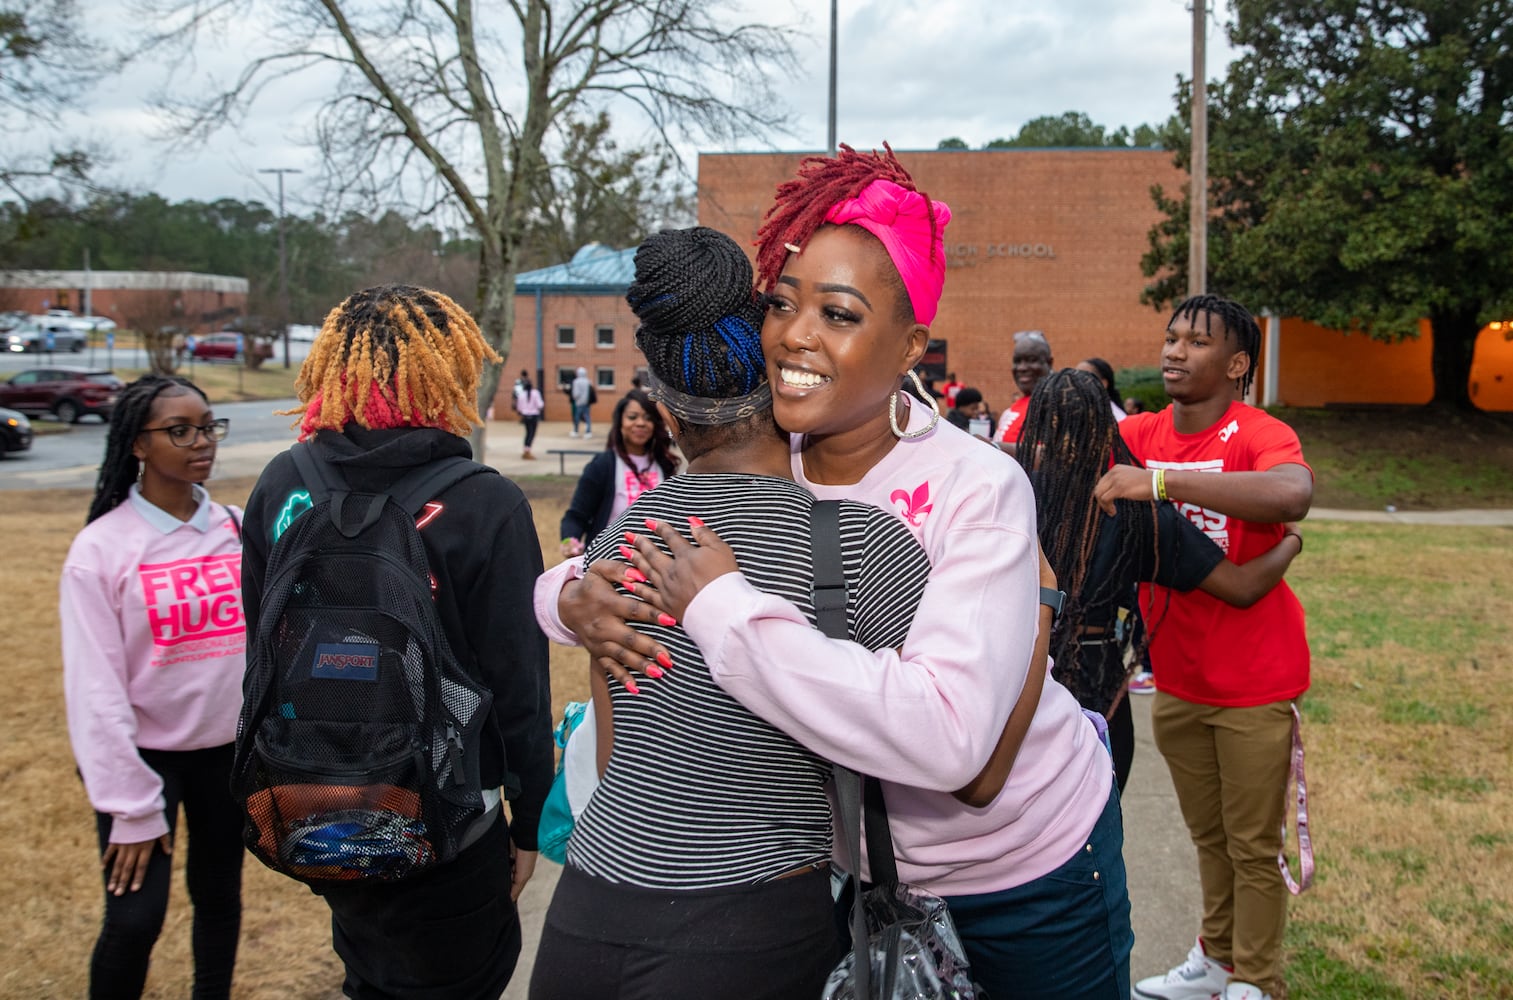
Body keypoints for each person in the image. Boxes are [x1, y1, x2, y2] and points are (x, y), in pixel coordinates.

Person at [538, 145, 1131, 999]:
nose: (797, 335)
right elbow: (628, 549)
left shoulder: (975, 486)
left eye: (840, 314)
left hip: (1019, 865)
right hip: (854, 873)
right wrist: (569, 598)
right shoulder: (763, 461)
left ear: (909, 345)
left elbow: (951, 738)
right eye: (782, 304)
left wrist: (721, 606)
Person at [529, 226, 931, 1000]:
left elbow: (613, 739)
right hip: (752, 920)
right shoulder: (865, 544)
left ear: (669, 416)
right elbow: (935, 739)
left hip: (592, 898)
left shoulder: (623, 538)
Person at [239, 284, 554, 1000]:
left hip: (312, 800)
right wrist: (528, 823)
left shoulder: (284, 483)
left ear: (332, 368)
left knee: (368, 978)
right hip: (448, 818)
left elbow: (260, 651)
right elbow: (518, 691)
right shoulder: (486, 501)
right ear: (449, 371)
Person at [1095, 294, 1313, 1000]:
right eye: (1170, 336)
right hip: (1179, 678)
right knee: (1210, 839)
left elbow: (1290, 496)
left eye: (1195, 341)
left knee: (1252, 846)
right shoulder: (1140, 430)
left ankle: (1256, 979)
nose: (1173, 350)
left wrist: (1157, 479)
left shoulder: (1256, 432)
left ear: (1237, 363)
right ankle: (1215, 961)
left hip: (1253, 680)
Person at [1017, 368, 1303, 793]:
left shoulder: (1007, 496)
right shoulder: (1134, 510)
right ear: (1105, 429)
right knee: (1097, 823)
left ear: (1037, 427)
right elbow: (1242, 587)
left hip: (1018, 674)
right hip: (1099, 682)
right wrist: (1292, 541)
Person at [60, 374, 244, 999]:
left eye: (208, 426)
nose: (202, 443)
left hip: (228, 757)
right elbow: (95, 691)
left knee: (219, 899)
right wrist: (130, 807)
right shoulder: (101, 550)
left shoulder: (239, 530)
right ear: (137, 445)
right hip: (146, 766)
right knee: (135, 921)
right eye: (179, 431)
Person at [558, 388, 678, 558]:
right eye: (632, 417)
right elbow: (576, 516)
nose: (640, 423)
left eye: (648, 418)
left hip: (655, 564)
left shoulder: (664, 466)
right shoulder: (602, 465)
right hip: (608, 561)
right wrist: (569, 541)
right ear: (620, 422)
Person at [994, 328, 1053, 454]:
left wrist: (996, 447)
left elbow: (1056, 455)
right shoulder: (1013, 408)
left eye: (1032, 360)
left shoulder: (1055, 405)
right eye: (1017, 361)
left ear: (1049, 363)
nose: (1022, 368)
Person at [1076, 356, 1128, 421]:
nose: (1075, 383)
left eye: (1082, 378)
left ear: (1103, 384)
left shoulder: (1117, 420)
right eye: (1074, 377)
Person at [516, 373, 545, 460]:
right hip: (534, 416)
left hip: (525, 416)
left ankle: (526, 450)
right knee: (532, 434)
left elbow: (519, 407)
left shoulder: (521, 394)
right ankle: (527, 450)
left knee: (527, 433)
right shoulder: (536, 393)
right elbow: (540, 405)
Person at [567, 366, 593, 437]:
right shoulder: (588, 381)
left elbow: (576, 393)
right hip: (587, 402)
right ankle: (588, 432)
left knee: (577, 417)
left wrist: (575, 398)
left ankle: (576, 431)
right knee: (587, 417)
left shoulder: (576, 382)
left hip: (579, 402)